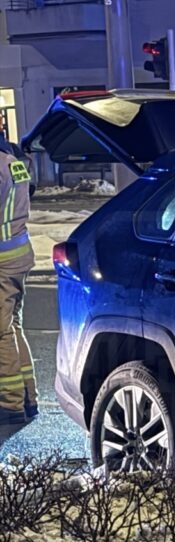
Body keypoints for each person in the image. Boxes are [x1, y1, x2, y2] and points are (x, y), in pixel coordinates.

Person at [0, 136, 37, 425]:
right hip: (20, 253)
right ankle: (28, 397)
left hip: (1, 258)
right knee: (13, 325)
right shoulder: (15, 163)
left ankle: (9, 404)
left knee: (1, 333)